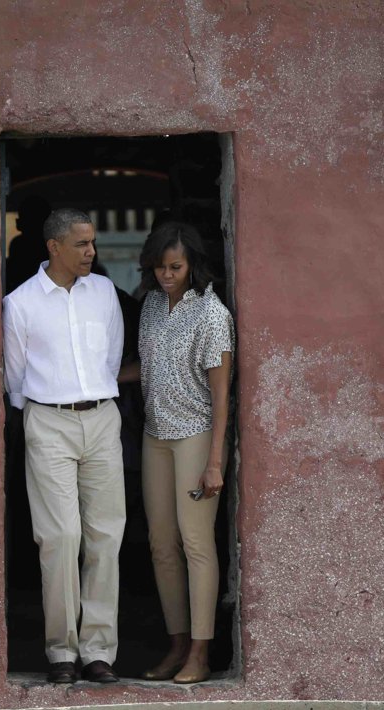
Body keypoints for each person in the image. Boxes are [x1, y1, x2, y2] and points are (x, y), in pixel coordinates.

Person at [2, 208, 126, 684]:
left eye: (92, 243)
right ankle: (61, 652)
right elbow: (15, 377)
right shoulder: (22, 303)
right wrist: (36, 417)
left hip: (101, 419)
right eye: (81, 244)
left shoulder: (105, 294)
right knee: (60, 537)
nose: (91, 252)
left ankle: (99, 651)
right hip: (48, 420)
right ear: (53, 247)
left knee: (105, 536)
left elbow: (111, 358)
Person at [134, 222, 234, 684]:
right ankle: (176, 645)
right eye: (159, 268)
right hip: (155, 437)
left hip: (196, 436)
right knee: (161, 546)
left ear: (192, 264)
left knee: (196, 544)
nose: (166, 276)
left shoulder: (213, 315)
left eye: (175, 267)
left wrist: (215, 462)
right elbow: (146, 368)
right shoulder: (152, 306)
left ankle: (201, 651)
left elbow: (221, 395)